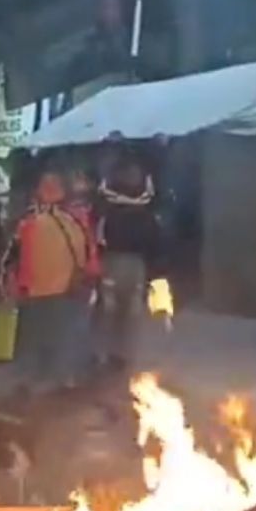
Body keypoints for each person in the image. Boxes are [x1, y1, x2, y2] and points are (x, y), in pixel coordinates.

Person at [4, 170, 98, 393]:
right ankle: (43, 381)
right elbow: (15, 254)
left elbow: (88, 249)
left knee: (55, 337)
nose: (49, 191)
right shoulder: (35, 219)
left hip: (57, 289)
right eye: (46, 186)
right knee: (45, 337)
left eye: (53, 187)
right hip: (45, 289)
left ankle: (54, 380)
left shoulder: (69, 218)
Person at [94, 156, 160, 369]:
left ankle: (112, 354)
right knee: (120, 309)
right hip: (125, 262)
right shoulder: (145, 205)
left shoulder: (107, 206)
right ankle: (114, 353)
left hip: (121, 261)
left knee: (117, 309)